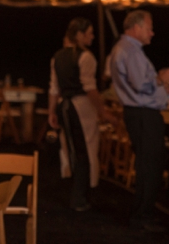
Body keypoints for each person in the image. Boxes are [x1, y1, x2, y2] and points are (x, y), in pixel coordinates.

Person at [109, 10, 169, 232]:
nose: (152, 33)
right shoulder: (131, 50)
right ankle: (142, 216)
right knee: (150, 165)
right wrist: (161, 79)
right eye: (149, 28)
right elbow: (140, 85)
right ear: (136, 27)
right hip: (143, 115)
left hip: (139, 114)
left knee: (148, 164)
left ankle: (143, 213)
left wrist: (159, 87)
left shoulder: (125, 49)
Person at [48, 17, 115, 211]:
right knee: (86, 149)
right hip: (81, 106)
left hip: (65, 106)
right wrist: (103, 111)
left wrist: (52, 111)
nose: (92, 37)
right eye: (90, 33)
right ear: (79, 35)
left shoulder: (57, 57)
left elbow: (54, 88)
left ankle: (77, 192)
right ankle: (82, 196)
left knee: (72, 148)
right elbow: (90, 88)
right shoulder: (86, 57)